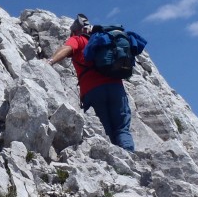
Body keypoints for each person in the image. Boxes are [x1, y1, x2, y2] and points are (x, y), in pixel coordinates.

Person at [47, 13, 135, 152]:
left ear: (75, 31)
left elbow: (67, 48)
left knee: (104, 131)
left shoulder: (78, 39)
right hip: (115, 87)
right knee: (121, 128)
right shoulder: (106, 40)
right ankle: (129, 158)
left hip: (93, 91)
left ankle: (113, 161)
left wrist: (50, 61)